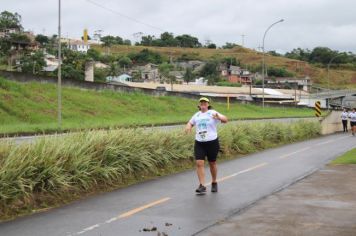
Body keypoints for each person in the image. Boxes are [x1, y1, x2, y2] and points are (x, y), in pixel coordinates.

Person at [185, 97, 228, 194]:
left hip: (212, 142)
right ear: (199, 105)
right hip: (199, 143)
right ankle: (202, 185)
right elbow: (190, 123)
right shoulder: (197, 115)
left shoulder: (212, 113)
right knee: (199, 163)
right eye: (201, 103)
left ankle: (214, 182)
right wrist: (188, 126)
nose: (203, 104)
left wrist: (219, 117)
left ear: (208, 104)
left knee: (212, 163)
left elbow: (226, 120)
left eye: (205, 102)